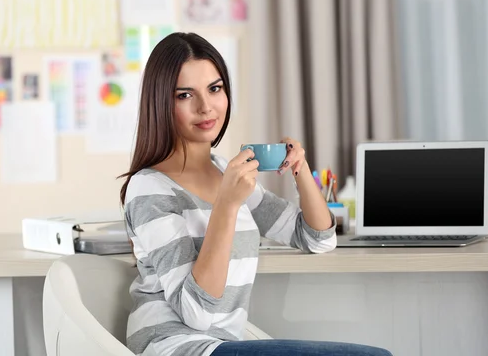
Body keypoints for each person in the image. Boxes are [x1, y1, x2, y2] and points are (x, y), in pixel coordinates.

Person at [119, 32, 393, 356]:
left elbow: (317, 238)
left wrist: (300, 169)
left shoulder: (226, 171)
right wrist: (227, 204)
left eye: (215, 89)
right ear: (160, 102)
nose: (206, 107)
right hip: (178, 349)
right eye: (184, 95)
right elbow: (197, 312)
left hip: (224, 345)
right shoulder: (149, 188)